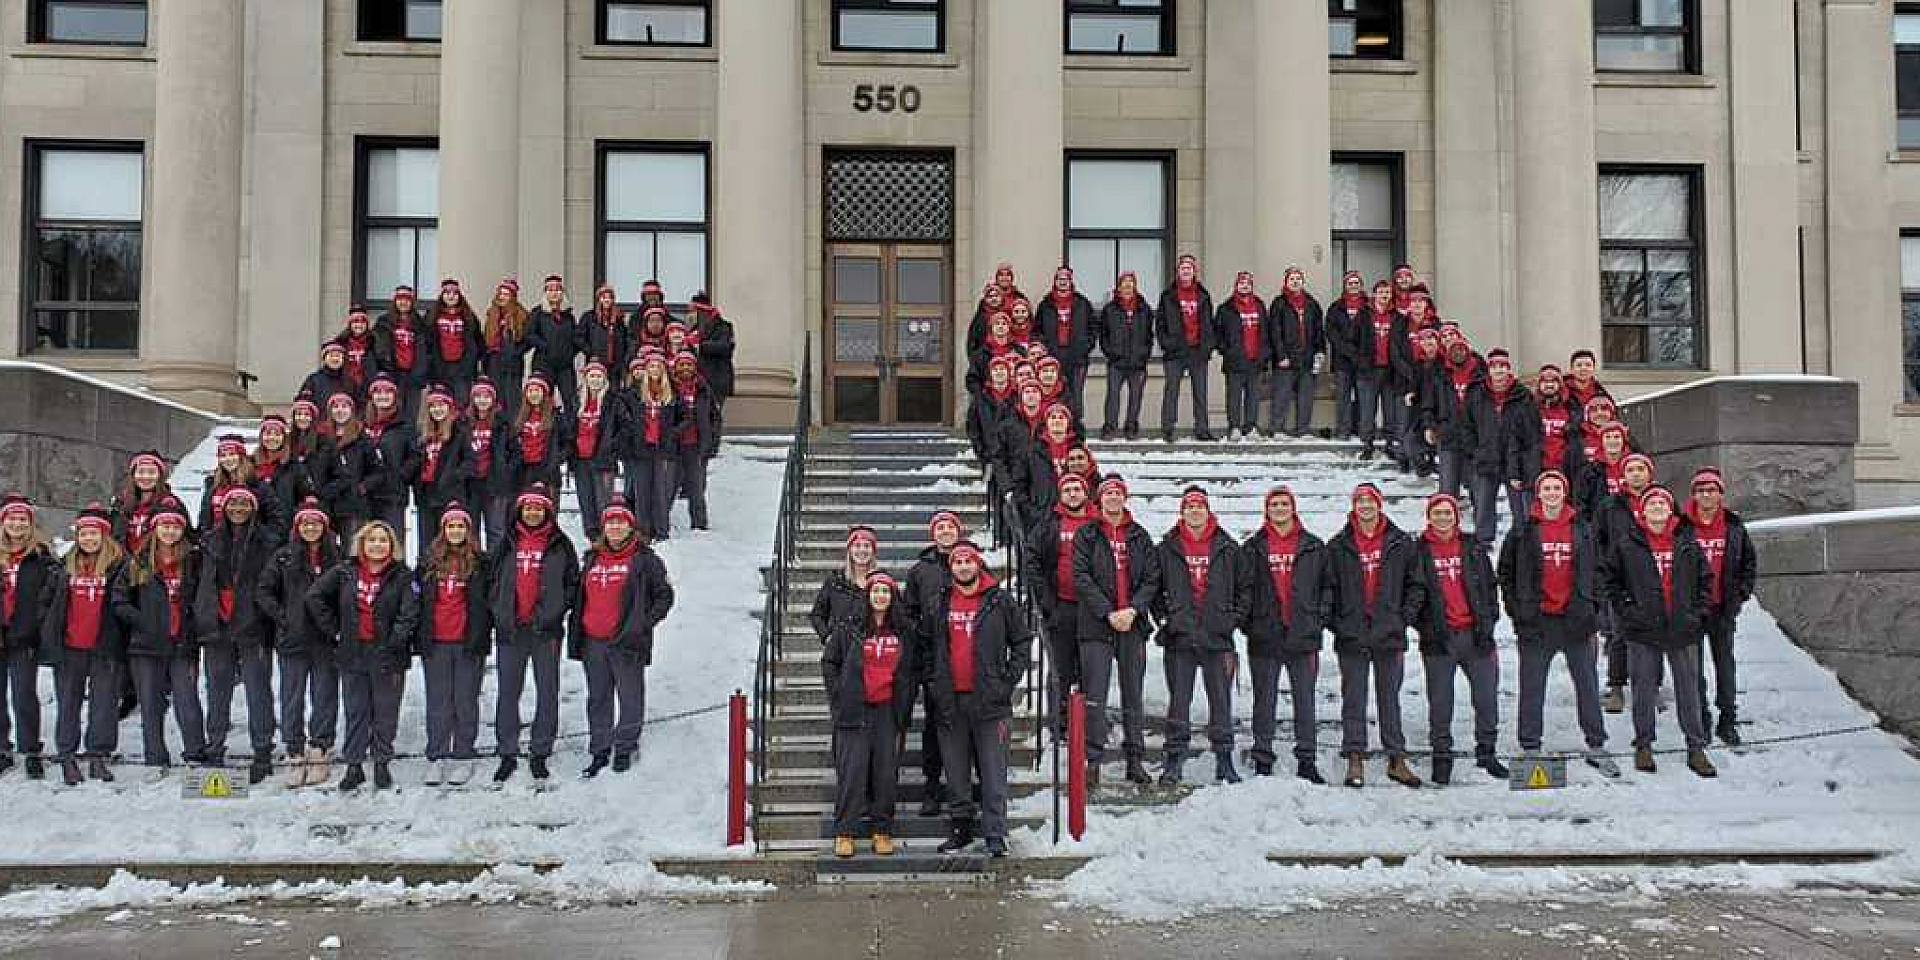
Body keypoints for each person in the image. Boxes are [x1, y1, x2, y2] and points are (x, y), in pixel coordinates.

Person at [1498, 471, 1616, 776]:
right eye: (1546, 488)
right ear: (1538, 493)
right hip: (1538, 622)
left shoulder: (1582, 528)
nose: (1551, 493)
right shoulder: (1523, 529)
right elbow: (1506, 573)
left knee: (1587, 683)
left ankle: (1596, 744)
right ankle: (1530, 746)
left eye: (1556, 488)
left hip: (1576, 620)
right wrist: (1517, 610)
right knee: (1532, 686)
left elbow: (1599, 571)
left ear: (1564, 493)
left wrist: (1595, 609)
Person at [1604, 487, 1717, 777]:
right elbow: (1613, 583)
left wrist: (1697, 614)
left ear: (1670, 510)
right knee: (1643, 689)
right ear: (1642, 510)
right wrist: (1629, 612)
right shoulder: (1627, 543)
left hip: (1681, 628)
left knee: (1689, 690)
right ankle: (1643, 744)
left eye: (1661, 503)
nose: (1656, 507)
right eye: (1651, 503)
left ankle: (1695, 746)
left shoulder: (1686, 542)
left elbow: (1705, 581)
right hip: (1644, 629)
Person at [930, 541, 1030, 858]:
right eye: (957, 561)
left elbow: (1022, 641)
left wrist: (1007, 682)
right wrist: (935, 683)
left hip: (990, 702)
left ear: (978, 565)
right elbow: (927, 646)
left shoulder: (999, 600)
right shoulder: (941, 602)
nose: (962, 566)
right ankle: (960, 831)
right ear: (951, 568)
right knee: (956, 771)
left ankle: (995, 834)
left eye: (968, 561)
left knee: (992, 771)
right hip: (950, 701)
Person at [1326, 483, 1424, 789]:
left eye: (1371, 501)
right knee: (1353, 699)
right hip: (1353, 634)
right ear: (1354, 506)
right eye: (1360, 501)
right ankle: (1355, 755)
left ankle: (1396, 757)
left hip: (1388, 633)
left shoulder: (1399, 543)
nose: (1366, 506)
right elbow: (1327, 588)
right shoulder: (1338, 544)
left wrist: (1401, 619)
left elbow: (1416, 585)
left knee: (1389, 698)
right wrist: (1338, 623)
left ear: (1379, 505)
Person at [306, 521, 417, 791]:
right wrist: (336, 630)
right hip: (353, 653)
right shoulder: (345, 572)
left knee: (385, 712)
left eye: (383, 540)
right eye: (371, 540)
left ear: (392, 545)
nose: (377, 545)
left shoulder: (402, 575)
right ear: (362, 544)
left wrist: (394, 642)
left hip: (388, 654)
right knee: (356, 711)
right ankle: (354, 765)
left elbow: (409, 613)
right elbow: (315, 596)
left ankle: (381, 763)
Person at [571, 499, 674, 778]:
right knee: (598, 697)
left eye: (621, 522)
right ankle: (600, 747)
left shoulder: (644, 559)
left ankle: (625, 746)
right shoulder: (592, 558)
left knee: (630, 696)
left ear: (630, 526)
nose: (616, 527)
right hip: (594, 639)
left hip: (627, 641)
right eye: (611, 522)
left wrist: (642, 624)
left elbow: (664, 596)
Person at [1410, 494, 1507, 785]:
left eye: (1447, 513)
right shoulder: (1419, 550)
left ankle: (1487, 751)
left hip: (1475, 635)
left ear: (1456, 516)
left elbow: (1490, 586)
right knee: (1441, 702)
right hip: (1440, 637)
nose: (1442, 518)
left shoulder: (1472, 547)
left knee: (1487, 697)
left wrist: (1489, 619)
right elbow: (1413, 592)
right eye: (1437, 513)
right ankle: (1441, 755)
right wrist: (1424, 626)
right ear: (1429, 517)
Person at [1071, 475, 1161, 786]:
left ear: (1125, 498)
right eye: (1107, 493)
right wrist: (1107, 612)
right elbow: (1080, 576)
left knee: (1132, 694)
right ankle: (1093, 761)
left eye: (1117, 493)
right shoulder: (1087, 534)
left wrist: (1133, 609)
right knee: (1095, 695)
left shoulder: (1139, 535)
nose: (1112, 498)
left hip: (1131, 624)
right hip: (1097, 625)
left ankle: (1134, 759)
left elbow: (1152, 578)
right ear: (1099, 499)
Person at [486, 484, 579, 783]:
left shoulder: (560, 544)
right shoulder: (506, 543)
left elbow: (572, 584)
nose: (533, 512)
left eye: (539, 508)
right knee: (508, 692)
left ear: (547, 511)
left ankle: (541, 750)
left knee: (547, 691)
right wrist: (499, 612)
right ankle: (507, 750)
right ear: (520, 511)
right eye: (528, 508)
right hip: (511, 631)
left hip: (545, 631)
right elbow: (491, 581)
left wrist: (555, 610)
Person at [1154, 487, 1246, 785]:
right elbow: (1153, 588)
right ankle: (1174, 759)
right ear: (1182, 512)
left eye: (1199, 506)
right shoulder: (1167, 547)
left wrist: (1230, 621)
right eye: (1189, 507)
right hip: (1180, 638)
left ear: (1208, 511)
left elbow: (1245, 590)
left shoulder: (1227, 547)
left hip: (1216, 638)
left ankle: (1224, 759)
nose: (1194, 511)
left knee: (1220, 702)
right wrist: (1166, 619)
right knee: (1179, 701)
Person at [1239, 486, 1328, 783]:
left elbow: (1327, 588)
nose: (1279, 508)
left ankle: (1307, 758)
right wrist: (1250, 625)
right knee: (1264, 701)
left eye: (1284, 503)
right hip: (1266, 635)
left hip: (1303, 635)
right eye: (1274, 504)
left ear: (1293, 508)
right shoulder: (1253, 547)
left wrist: (1317, 620)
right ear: (1267, 509)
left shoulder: (1313, 546)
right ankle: (1263, 756)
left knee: (1305, 701)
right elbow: (1244, 590)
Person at [193, 487, 282, 783]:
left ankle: (262, 750)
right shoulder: (209, 541)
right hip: (218, 624)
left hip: (253, 624)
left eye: (244, 503)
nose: (238, 508)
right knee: (217, 691)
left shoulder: (268, 541)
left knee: (259, 691)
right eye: (233, 503)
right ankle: (215, 747)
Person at [824, 572, 912, 858]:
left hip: (887, 710)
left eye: (886, 592)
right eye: (876, 591)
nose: (880, 596)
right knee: (853, 772)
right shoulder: (848, 628)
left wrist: (905, 704)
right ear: (868, 595)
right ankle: (844, 832)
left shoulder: (902, 631)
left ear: (892, 597)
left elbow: (911, 671)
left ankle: (881, 831)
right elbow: (830, 662)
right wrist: (840, 695)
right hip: (855, 710)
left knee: (885, 773)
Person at [256, 498, 341, 788]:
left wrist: (337, 624)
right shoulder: (283, 557)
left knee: (324, 695)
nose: (310, 528)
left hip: (325, 639)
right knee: (292, 697)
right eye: (305, 523)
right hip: (293, 638)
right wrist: (283, 617)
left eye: (315, 523)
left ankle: (320, 749)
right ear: (297, 527)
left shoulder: (337, 557)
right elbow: (264, 591)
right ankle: (294, 749)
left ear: (324, 526)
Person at [116, 499, 207, 771]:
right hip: (146, 646)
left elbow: (204, 596)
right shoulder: (138, 562)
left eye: (175, 526)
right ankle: (154, 755)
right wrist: (142, 621)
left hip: (182, 643)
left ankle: (195, 752)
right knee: (150, 703)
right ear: (155, 529)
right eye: (164, 526)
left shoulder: (193, 560)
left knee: (186, 700)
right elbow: (120, 600)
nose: (169, 531)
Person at [40, 504, 126, 784]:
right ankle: (67, 753)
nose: (89, 539)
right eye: (84, 534)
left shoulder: (118, 566)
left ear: (104, 536)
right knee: (68, 701)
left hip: (105, 644)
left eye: (94, 534)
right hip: (70, 645)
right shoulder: (62, 567)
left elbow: (129, 602)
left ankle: (98, 753)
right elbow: (46, 601)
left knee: (104, 703)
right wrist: (49, 631)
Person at [410, 502, 491, 787]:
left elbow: (488, 601)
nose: (455, 531)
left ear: (468, 531)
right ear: (443, 530)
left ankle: (463, 753)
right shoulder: (428, 563)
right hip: (436, 642)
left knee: (465, 699)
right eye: (450, 526)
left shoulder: (481, 563)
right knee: (438, 700)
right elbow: (416, 600)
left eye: (460, 526)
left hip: (468, 640)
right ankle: (437, 753)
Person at [1680, 468, 1755, 747]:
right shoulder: (1682, 526)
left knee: (1725, 665)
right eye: (1701, 490)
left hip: (1722, 607)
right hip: (1692, 609)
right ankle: (1701, 718)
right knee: (1694, 668)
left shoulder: (1734, 526)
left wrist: (1740, 595)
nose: (1706, 495)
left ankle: (1728, 719)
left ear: (1720, 494)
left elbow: (1748, 564)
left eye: (1711, 490)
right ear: (1694, 495)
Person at [899, 511, 962, 814]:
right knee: (935, 725)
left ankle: (962, 785)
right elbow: (907, 614)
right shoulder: (919, 572)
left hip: (966, 660)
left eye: (951, 527)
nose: (946, 532)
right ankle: (933, 785)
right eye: (941, 527)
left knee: (964, 724)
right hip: (933, 660)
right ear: (933, 534)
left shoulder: (969, 563)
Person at [1023, 474, 1093, 739]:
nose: (1073, 493)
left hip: (1092, 610)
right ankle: (1059, 724)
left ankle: (1087, 725)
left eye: (1077, 489)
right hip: (1061, 605)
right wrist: (1048, 602)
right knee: (1060, 670)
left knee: (1090, 670)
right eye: (1067, 489)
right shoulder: (1049, 524)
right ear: (1060, 494)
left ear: (1086, 493)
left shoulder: (1096, 523)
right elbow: (1032, 561)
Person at [0, 495, 54, 778]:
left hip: (25, 635)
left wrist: (37, 627)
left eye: (22, 519)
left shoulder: (40, 556)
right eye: (12, 519)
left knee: (24, 695)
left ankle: (31, 748)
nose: (17, 524)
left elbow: (48, 597)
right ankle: (2, 747)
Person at [1429, 331, 1499, 549]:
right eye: (1453, 348)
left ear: (1467, 350)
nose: (1458, 352)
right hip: (1448, 437)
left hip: (1475, 440)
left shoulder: (1480, 375)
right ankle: (1446, 534)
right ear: (1448, 352)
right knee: (1447, 488)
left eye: (1461, 348)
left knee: (1480, 490)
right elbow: (1429, 404)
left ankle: (1483, 537)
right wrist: (1430, 426)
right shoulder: (1440, 374)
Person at [621, 351, 683, 541]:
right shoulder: (634, 392)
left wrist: (673, 433)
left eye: (658, 366)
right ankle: (643, 532)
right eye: (651, 366)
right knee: (642, 492)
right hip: (641, 448)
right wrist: (631, 433)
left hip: (664, 449)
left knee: (661, 491)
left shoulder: (672, 392)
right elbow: (623, 415)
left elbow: (686, 417)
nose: (654, 370)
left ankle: (661, 531)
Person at [403, 383, 470, 553]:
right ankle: (426, 575)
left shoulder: (459, 432)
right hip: (426, 494)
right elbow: (414, 462)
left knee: (448, 541)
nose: (437, 410)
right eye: (432, 406)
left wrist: (453, 477)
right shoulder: (422, 435)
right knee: (426, 541)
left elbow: (470, 462)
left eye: (441, 405)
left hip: (449, 494)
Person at [1155, 254, 1216, 442]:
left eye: (1189, 268)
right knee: (1171, 391)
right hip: (1175, 351)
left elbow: (1209, 323)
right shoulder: (1168, 296)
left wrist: (1207, 346)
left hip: (1197, 350)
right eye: (1183, 268)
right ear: (1178, 272)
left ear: (1194, 272)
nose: (1186, 271)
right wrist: (1168, 344)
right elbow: (1160, 324)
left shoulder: (1203, 295)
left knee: (1200, 392)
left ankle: (1202, 428)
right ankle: (1167, 428)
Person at [1097, 271, 1154, 440]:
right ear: (1119, 288)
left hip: (1138, 362)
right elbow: (1103, 335)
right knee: (1113, 396)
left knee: (1135, 397)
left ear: (1135, 287)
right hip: (1116, 362)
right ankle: (1110, 427)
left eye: (1131, 284)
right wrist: (1110, 352)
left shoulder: (1144, 309)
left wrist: (1145, 353)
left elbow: (1149, 336)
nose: (1128, 287)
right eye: (1124, 284)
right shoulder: (1110, 309)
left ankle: (1131, 427)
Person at [569, 362, 623, 542]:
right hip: (580, 458)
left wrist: (612, 447)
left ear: (604, 379)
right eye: (592, 376)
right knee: (586, 499)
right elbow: (569, 426)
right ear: (586, 378)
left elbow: (624, 427)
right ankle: (591, 535)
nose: (595, 380)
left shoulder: (613, 400)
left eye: (599, 376)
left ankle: (607, 535)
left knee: (604, 501)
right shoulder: (577, 400)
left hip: (603, 458)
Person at [1035, 267, 1096, 422]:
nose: (1063, 282)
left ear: (1070, 281)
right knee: (1054, 392)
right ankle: (1054, 426)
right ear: (1055, 282)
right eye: (1059, 279)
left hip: (1077, 356)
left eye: (1066, 279)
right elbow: (1037, 330)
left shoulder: (1082, 303)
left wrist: (1086, 346)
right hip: (1053, 356)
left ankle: (1075, 428)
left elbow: (1093, 328)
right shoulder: (1046, 304)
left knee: (1076, 394)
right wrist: (1044, 348)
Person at [1269, 267, 1324, 437]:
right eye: (1291, 279)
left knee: (1305, 397)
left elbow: (1318, 331)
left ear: (1302, 282)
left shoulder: (1312, 303)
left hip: (1307, 358)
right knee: (1282, 395)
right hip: (1286, 359)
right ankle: (1277, 429)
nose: (1295, 281)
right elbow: (1274, 331)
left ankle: (1303, 429)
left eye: (1298, 278)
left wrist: (1319, 352)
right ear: (1286, 282)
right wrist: (1281, 355)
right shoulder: (1279, 303)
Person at [1216, 271, 1271, 441]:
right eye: (1242, 283)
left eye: (1248, 283)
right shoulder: (1226, 308)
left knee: (1253, 396)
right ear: (1236, 285)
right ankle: (1234, 427)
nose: (1245, 286)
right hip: (1235, 361)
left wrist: (1264, 354)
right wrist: (1228, 350)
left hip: (1255, 360)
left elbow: (1266, 332)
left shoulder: (1260, 305)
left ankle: (1251, 426)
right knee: (1233, 397)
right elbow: (1217, 333)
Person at [360, 374, 415, 537]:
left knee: (393, 541)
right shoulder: (362, 424)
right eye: (378, 392)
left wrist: (401, 475)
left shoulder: (405, 424)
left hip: (393, 496)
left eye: (387, 392)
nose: (383, 396)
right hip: (366, 495)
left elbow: (415, 456)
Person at [670, 350, 719, 532]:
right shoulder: (669, 387)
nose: (685, 368)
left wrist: (712, 441)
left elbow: (715, 417)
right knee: (668, 487)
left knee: (696, 488)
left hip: (696, 445)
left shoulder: (704, 389)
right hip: (673, 446)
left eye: (689, 364)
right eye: (681, 364)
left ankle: (699, 524)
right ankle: (661, 523)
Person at [315, 392, 373, 541]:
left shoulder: (363, 438)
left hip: (353, 506)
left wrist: (362, 487)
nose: (340, 410)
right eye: (336, 407)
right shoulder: (321, 438)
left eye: (344, 406)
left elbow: (377, 471)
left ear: (351, 410)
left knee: (351, 549)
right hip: (327, 503)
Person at [503, 374, 571, 499]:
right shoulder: (517, 416)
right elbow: (509, 443)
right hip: (523, 472)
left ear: (544, 393)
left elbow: (567, 442)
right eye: (530, 390)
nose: (534, 394)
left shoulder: (555, 416)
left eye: (537, 390)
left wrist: (556, 459)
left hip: (548, 472)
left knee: (548, 512)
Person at [463, 378, 513, 547]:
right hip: (471, 484)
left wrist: (506, 470)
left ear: (493, 399)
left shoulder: (503, 423)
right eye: (478, 396)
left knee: (496, 530)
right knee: (472, 531)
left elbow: (514, 452)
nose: (482, 400)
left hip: (495, 483)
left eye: (486, 396)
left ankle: (495, 570)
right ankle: (476, 569)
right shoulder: (464, 423)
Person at [812, 526, 880, 643]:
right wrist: (827, 636)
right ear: (850, 550)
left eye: (867, 546)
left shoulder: (882, 581)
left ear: (873, 551)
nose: (862, 550)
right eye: (857, 545)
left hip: (872, 650)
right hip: (840, 652)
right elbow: (817, 615)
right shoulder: (835, 581)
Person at [1354, 281, 1398, 460]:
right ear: (1374, 294)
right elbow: (1353, 340)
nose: (1384, 295)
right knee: (1367, 409)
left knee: (1390, 410)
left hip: (1390, 370)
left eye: (1387, 292)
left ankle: (1389, 443)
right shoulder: (1363, 315)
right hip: (1368, 370)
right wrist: (1360, 360)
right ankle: (1367, 444)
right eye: (1381, 292)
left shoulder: (1396, 316)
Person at [198, 434, 277, 532]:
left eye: (232, 454)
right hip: (217, 543)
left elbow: (275, 520)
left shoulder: (258, 486)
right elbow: (204, 520)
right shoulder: (213, 485)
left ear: (242, 456)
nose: (228, 459)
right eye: (223, 455)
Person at [110, 451, 183, 554]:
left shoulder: (172, 505)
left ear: (160, 475)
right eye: (141, 472)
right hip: (124, 565)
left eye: (151, 472)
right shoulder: (121, 504)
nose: (146, 477)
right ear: (133, 475)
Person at [528, 275, 581, 413]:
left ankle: (570, 431)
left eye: (557, 290)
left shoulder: (568, 315)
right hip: (544, 363)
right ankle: (546, 432)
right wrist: (545, 346)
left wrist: (570, 352)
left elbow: (576, 337)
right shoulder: (537, 313)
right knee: (544, 401)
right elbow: (530, 335)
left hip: (565, 366)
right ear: (545, 293)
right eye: (550, 290)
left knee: (570, 400)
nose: (554, 293)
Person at [1324, 270, 1367, 439]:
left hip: (1363, 360)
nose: (1353, 286)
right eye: (1350, 283)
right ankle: (1344, 429)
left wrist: (1360, 352)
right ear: (1345, 286)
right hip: (1342, 361)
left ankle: (1361, 428)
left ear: (1361, 286)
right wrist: (1347, 350)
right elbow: (1331, 331)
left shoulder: (1368, 306)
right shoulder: (1336, 307)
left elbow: (1370, 332)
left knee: (1363, 397)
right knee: (1343, 397)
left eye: (1356, 283)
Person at [375, 285, 428, 422]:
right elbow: (378, 348)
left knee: (411, 415)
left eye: (407, 299)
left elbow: (427, 350)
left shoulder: (420, 324)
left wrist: (423, 371)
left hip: (414, 375)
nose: (403, 302)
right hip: (393, 373)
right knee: (392, 413)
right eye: (400, 299)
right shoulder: (383, 322)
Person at [430, 278, 484, 404]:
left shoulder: (468, 316)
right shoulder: (432, 316)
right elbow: (427, 343)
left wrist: (472, 362)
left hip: (462, 368)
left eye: (454, 293)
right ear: (442, 295)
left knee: (462, 403)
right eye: (447, 293)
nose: (451, 296)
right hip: (440, 368)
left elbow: (478, 340)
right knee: (442, 403)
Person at [481, 278, 532, 408]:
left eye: (506, 294)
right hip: (494, 360)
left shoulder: (521, 315)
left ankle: (511, 425)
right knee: (496, 396)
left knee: (512, 397)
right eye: (500, 294)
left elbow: (527, 339)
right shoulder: (492, 314)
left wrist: (516, 352)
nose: (502, 297)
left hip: (512, 361)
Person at [253, 415, 308, 531]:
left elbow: (304, 497)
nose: (272, 438)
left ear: (284, 437)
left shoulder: (294, 465)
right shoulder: (250, 464)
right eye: (268, 433)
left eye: (277, 434)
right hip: (257, 531)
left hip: (285, 529)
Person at [688, 293, 737, 420]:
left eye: (692, 311)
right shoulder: (692, 331)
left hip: (716, 380)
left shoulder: (723, 327)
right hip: (699, 380)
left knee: (712, 416)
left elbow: (726, 346)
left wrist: (701, 346)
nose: (689, 315)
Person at [579, 284, 631, 387]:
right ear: (599, 299)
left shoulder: (619, 318)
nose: (607, 300)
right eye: (604, 297)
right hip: (596, 361)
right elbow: (579, 337)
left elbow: (625, 339)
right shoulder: (589, 317)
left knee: (614, 392)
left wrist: (624, 358)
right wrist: (590, 352)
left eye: (610, 297)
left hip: (615, 364)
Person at [300, 340, 360, 413]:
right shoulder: (313, 380)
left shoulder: (350, 381)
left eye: (338, 356)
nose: (335, 359)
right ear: (324, 358)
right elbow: (303, 403)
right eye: (331, 356)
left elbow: (358, 406)